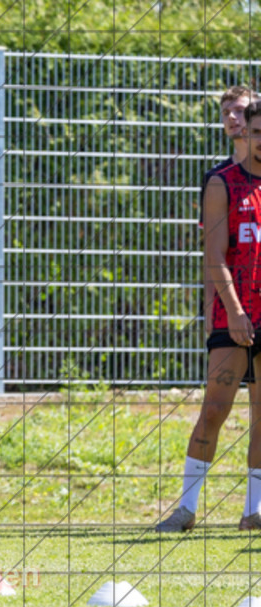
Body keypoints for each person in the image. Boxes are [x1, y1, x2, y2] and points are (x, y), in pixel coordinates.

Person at [156, 99, 261, 532]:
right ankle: (186, 509)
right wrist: (233, 312)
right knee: (215, 409)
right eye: (255, 131)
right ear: (244, 134)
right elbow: (214, 256)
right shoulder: (222, 182)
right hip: (234, 314)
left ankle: (254, 512)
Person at [201, 86, 254, 339]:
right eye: (225, 113)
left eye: (240, 110)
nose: (231, 117)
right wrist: (209, 307)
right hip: (232, 306)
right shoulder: (216, 179)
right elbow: (211, 252)